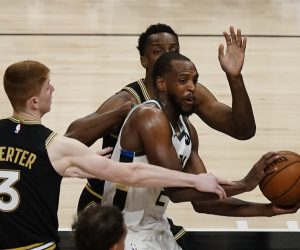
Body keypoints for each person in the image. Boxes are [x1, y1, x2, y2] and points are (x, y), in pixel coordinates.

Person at [0, 60, 231, 249]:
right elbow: (132, 173)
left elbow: (24, 168)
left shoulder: (53, 152)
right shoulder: (57, 146)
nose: (52, 90)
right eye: (47, 87)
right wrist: (195, 179)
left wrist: (69, 168)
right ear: (34, 102)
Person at [65, 23, 256, 248]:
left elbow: (242, 130)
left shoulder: (188, 92)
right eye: (158, 51)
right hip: (104, 209)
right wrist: (118, 116)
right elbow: (70, 139)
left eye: (173, 49)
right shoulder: (130, 99)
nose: (167, 55)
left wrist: (235, 77)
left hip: (147, 210)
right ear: (144, 61)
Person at [100, 52, 300, 250]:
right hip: (123, 231)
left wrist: (268, 210)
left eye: (194, 80)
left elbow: (203, 202)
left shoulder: (187, 131)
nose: (191, 87)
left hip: (156, 229)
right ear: (162, 84)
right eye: (183, 80)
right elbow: (176, 191)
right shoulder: (149, 117)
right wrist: (245, 184)